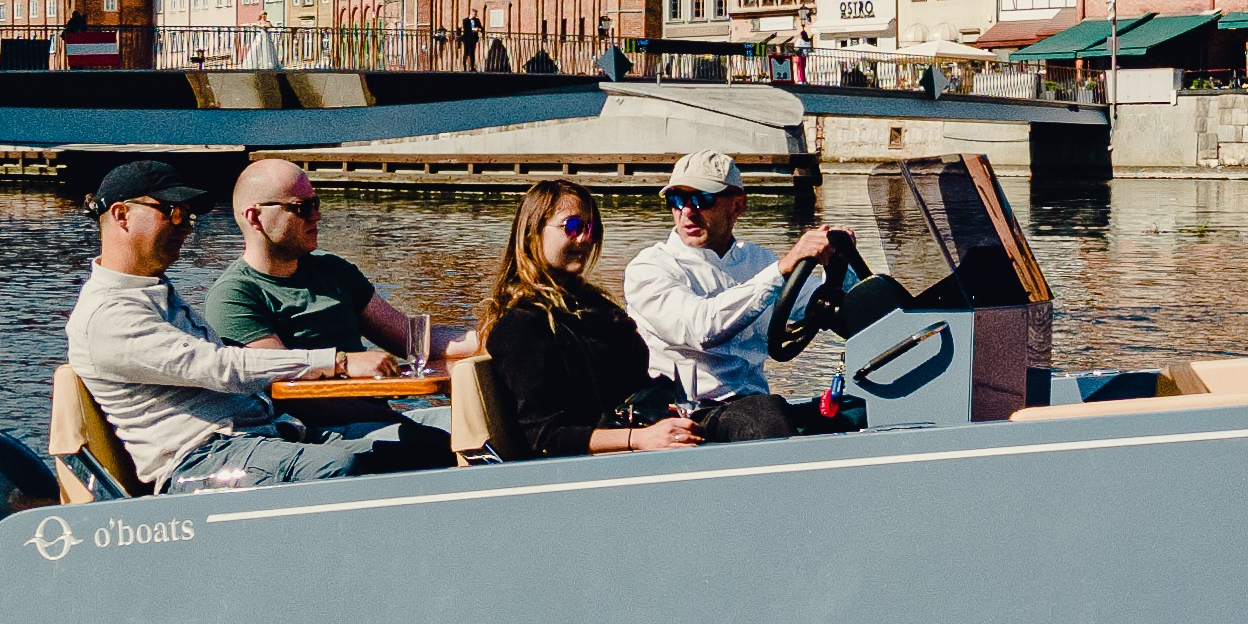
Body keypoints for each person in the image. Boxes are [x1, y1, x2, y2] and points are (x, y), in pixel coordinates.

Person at [65, 159, 440, 493]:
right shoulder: (107, 315)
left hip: (264, 436)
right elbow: (220, 367)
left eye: (190, 216)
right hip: (196, 462)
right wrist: (337, 362)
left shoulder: (154, 292)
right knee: (336, 469)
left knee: (420, 447)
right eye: (173, 213)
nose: (186, 227)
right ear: (121, 215)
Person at [620, 152, 851, 443]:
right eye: (676, 200)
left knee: (853, 413)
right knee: (763, 413)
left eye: (702, 199)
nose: (687, 212)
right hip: (683, 414)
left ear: (737, 205)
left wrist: (841, 263)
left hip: (750, 407)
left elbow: (826, 305)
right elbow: (702, 328)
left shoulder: (756, 260)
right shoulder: (650, 268)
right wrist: (782, 269)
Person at [476, 178, 697, 460]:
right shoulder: (521, 325)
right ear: (533, 232)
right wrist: (639, 439)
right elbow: (544, 437)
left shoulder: (596, 309)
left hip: (636, 444)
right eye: (571, 227)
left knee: (755, 415)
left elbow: (632, 387)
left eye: (591, 229)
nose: (584, 239)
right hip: (585, 469)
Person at [203, 158, 433, 360]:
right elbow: (281, 375)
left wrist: (469, 338)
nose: (316, 215)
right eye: (302, 208)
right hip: (310, 412)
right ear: (255, 217)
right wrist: (345, 364)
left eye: (316, 204)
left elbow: (411, 339)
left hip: (376, 405)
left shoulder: (333, 269)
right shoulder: (232, 297)